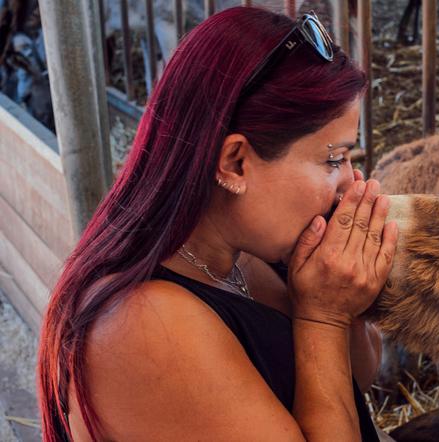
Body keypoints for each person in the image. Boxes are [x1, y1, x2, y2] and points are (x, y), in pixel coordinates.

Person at [37, 6, 398, 442]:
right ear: (235, 163)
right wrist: (323, 316)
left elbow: (352, 382)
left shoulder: (247, 252)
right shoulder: (146, 324)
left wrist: (346, 300)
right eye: (333, 158)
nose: (351, 183)